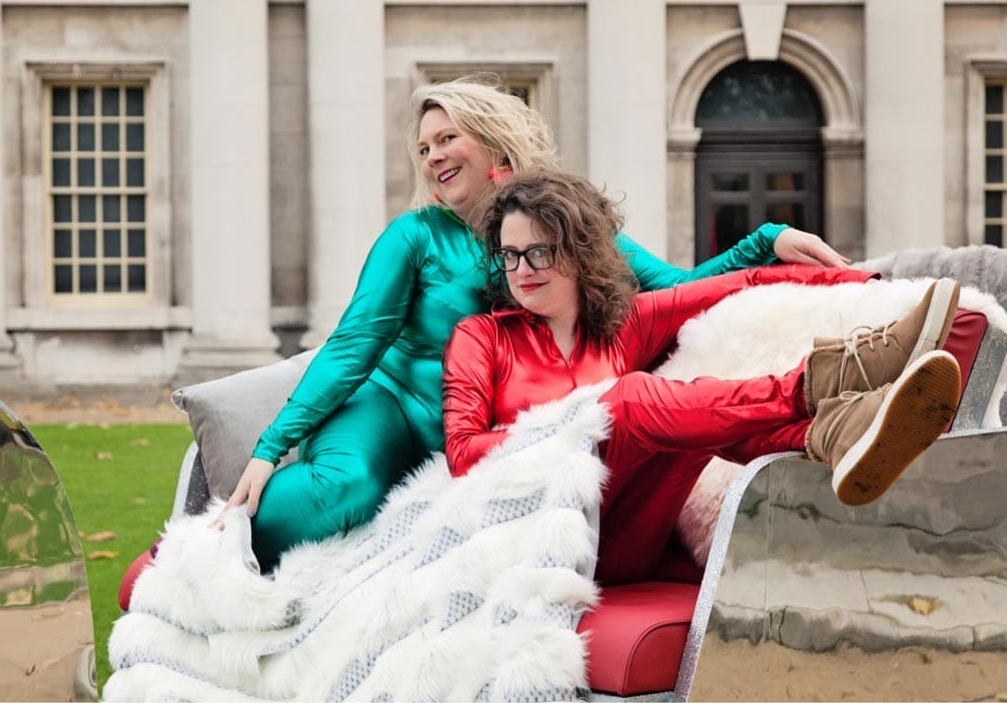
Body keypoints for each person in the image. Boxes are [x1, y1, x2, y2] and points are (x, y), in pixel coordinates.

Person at [220, 76, 852, 570]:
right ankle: (217, 545)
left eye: (447, 139)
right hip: (390, 406)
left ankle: (829, 418)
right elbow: (355, 343)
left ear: (492, 140)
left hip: (477, 434)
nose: (433, 156)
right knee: (347, 487)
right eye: (424, 148)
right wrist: (271, 446)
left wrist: (767, 241)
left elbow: (677, 290)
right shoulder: (414, 236)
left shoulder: (558, 225)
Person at [442, 170, 962, 584]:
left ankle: (833, 432)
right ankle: (828, 382)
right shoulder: (481, 337)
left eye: (538, 252)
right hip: (538, 542)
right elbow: (464, 454)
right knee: (627, 400)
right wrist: (580, 424)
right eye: (509, 255)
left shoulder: (626, 325)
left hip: (625, 535)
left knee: (686, 423)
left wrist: (867, 283)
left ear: (577, 252)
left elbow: (742, 282)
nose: (521, 270)